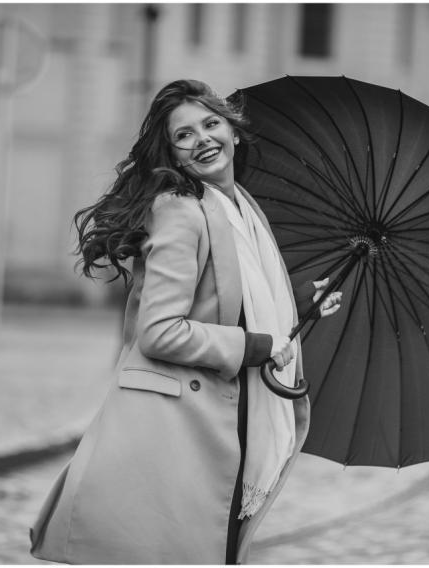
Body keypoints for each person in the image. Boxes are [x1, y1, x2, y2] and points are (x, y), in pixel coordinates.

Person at [29, 79, 342, 564]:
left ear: (234, 133)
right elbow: (160, 331)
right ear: (173, 155)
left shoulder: (241, 206)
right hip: (179, 426)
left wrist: (301, 300)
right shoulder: (180, 210)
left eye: (212, 124)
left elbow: (232, 294)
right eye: (184, 135)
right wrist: (255, 346)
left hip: (224, 415)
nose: (203, 139)